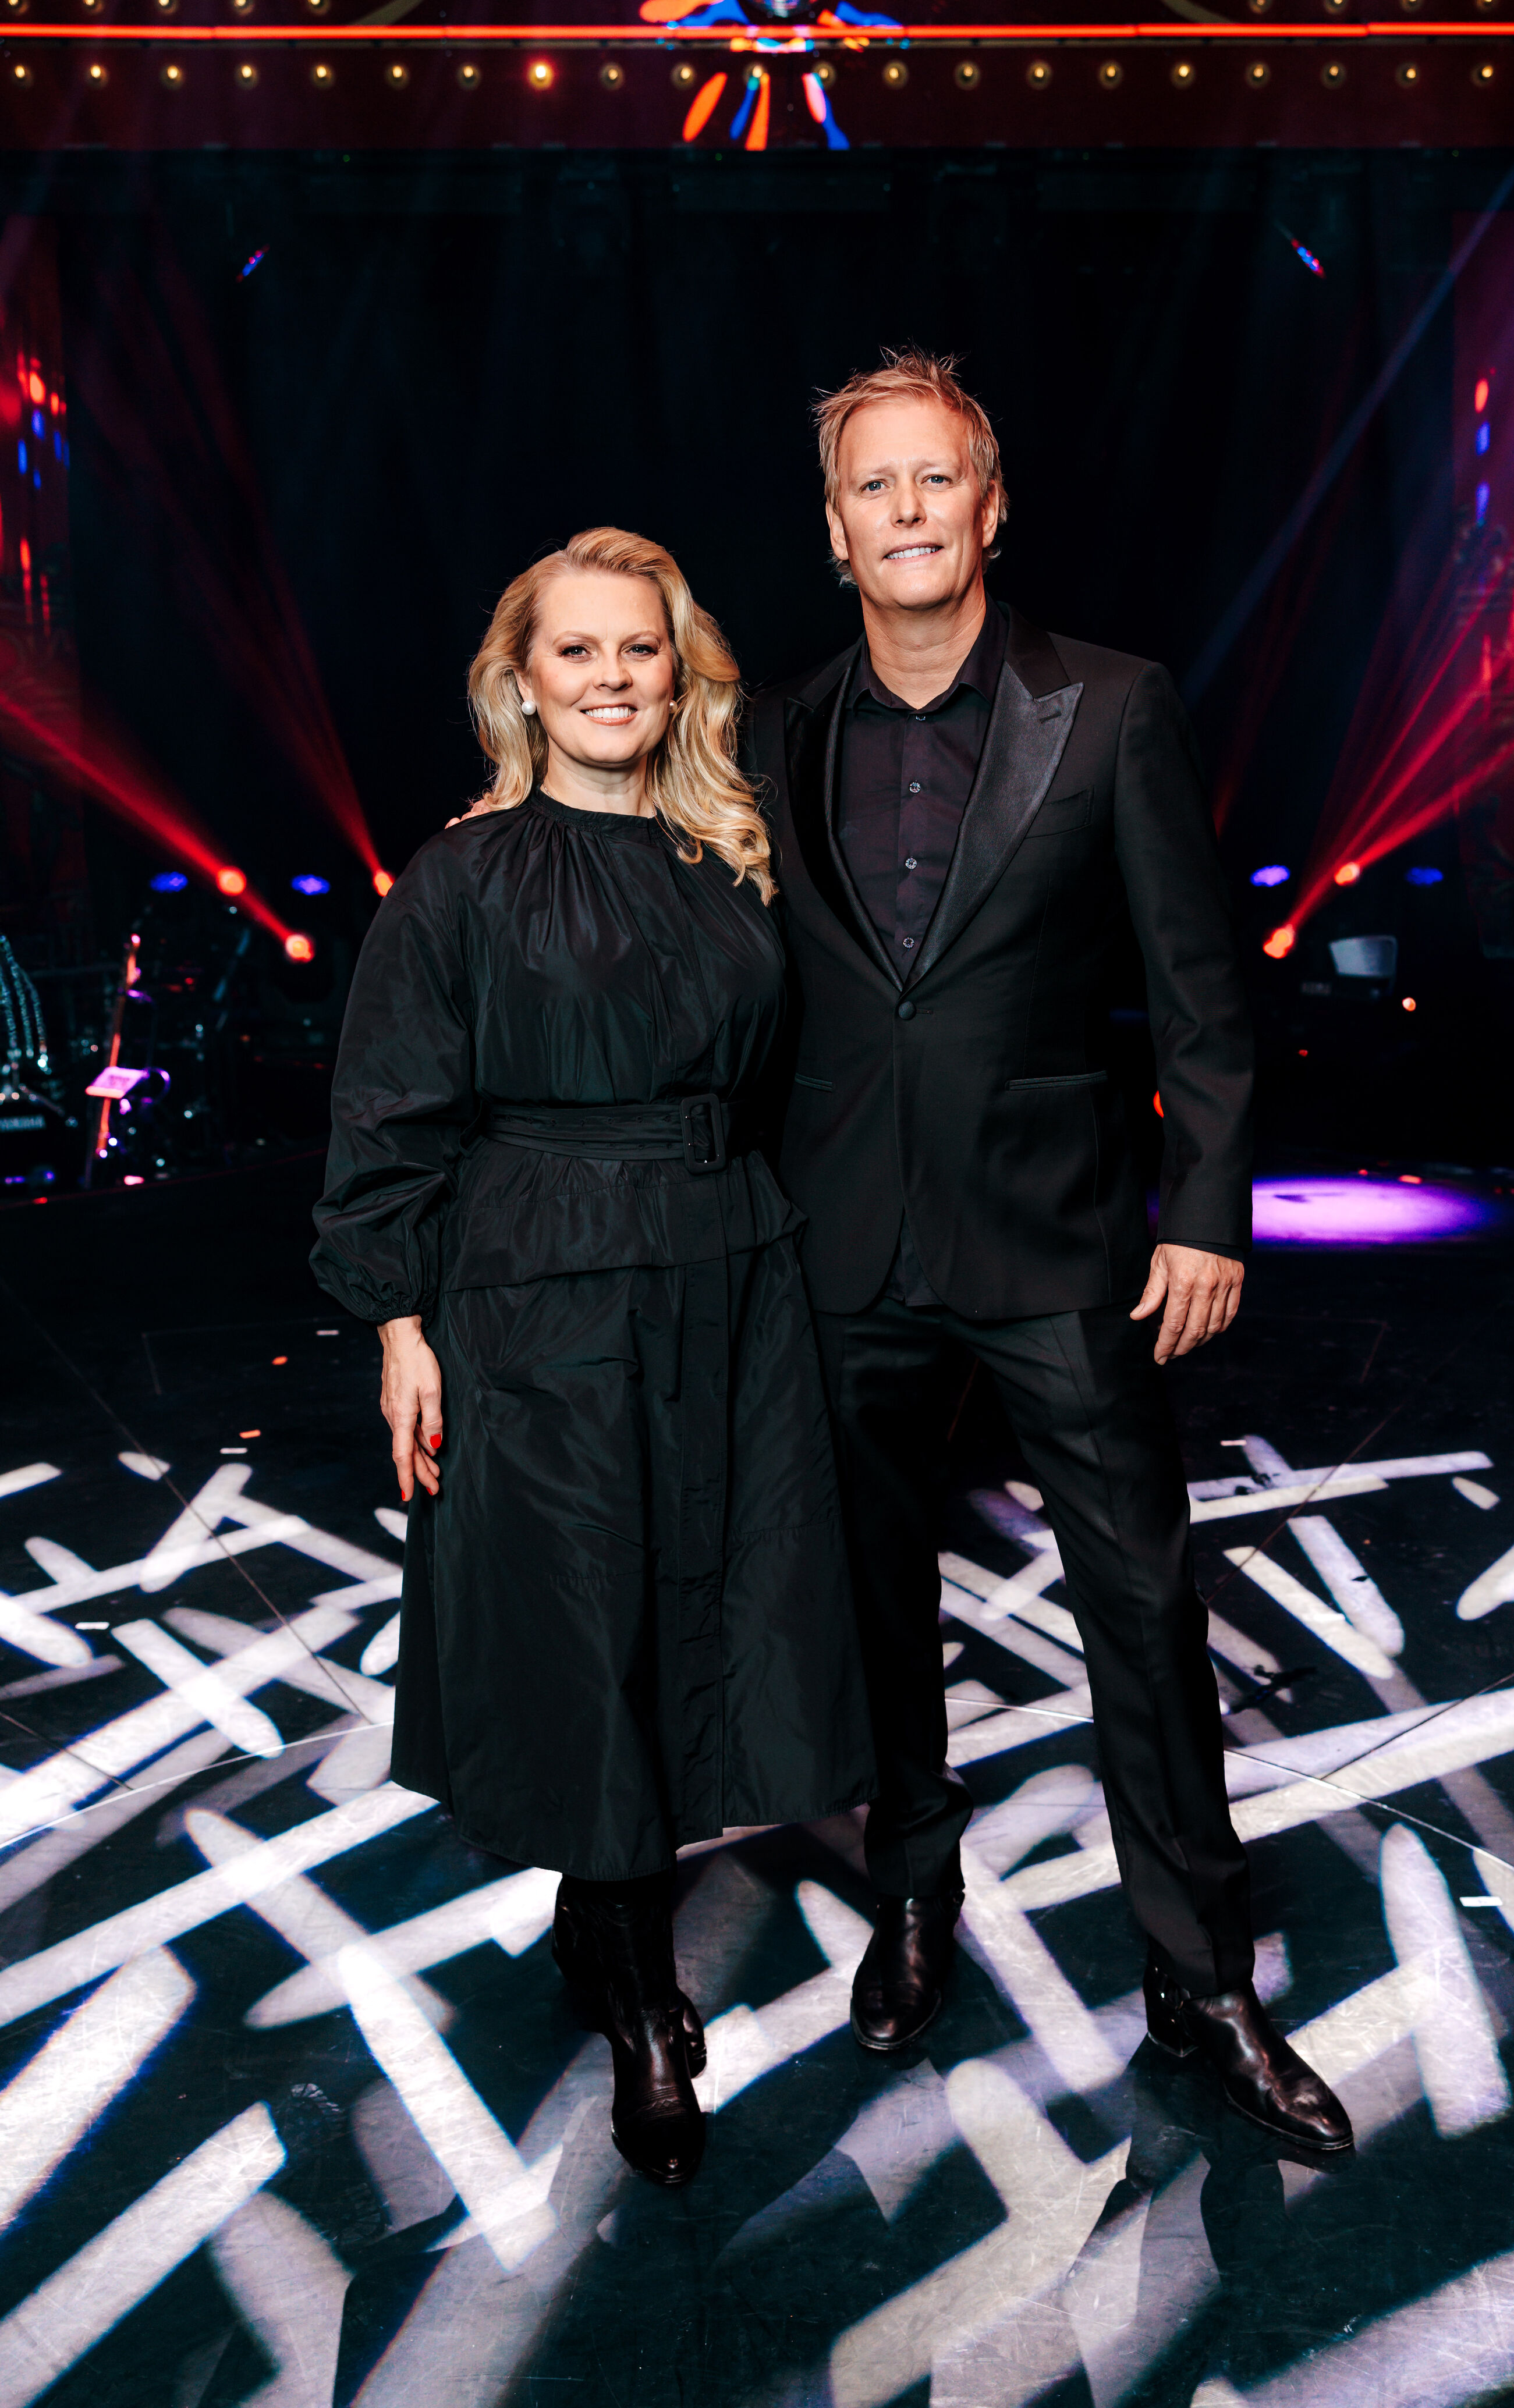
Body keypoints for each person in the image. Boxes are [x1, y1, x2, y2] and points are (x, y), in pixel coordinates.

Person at [743, 350, 1351, 2155]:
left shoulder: (1113, 705)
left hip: (1064, 1240)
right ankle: (911, 1902)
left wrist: (1208, 1204)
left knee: (1146, 1612)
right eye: (877, 486)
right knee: (874, 1613)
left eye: (941, 480)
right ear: (836, 528)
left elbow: (1200, 983)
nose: (911, 510)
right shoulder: (778, 731)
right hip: (843, 1238)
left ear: (992, 509)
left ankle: (1202, 1975)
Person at [312, 527, 875, 2190]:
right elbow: (391, 1111)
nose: (613, 676)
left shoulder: (735, 854)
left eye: (642, 649)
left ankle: (597, 1919)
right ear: (523, 682)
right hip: (541, 1281)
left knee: (708, 1602)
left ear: (680, 672)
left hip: (732, 1265)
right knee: (580, 1613)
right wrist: (402, 1325)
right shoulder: (464, 877)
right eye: (579, 651)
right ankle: (641, 1999)